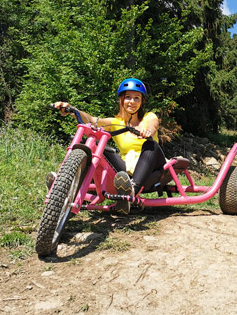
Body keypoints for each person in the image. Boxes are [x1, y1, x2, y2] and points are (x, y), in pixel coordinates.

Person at [54, 78, 166, 214]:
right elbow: (93, 121)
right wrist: (73, 110)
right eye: (128, 97)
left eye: (136, 98)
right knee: (90, 144)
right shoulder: (116, 122)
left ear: (142, 101)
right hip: (128, 170)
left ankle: (131, 192)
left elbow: (153, 125)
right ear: (121, 100)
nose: (132, 101)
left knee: (150, 144)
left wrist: (148, 131)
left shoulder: (148, 117)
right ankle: (66, 184)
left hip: (153, 165)